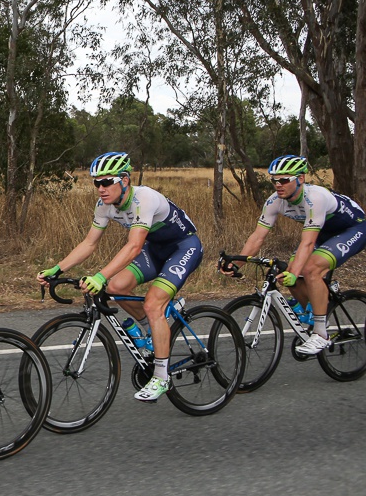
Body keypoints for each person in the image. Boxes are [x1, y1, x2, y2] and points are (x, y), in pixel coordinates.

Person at [37, 152, 203, 402]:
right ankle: (149, 329)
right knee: (115, 287)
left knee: (152, 303)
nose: (100, 189)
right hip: (155, 250)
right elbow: (89, 243)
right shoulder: (104, 206)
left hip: (183, 247)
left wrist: (99, 276)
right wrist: (57, 269)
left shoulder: (143, 198)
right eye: (96, 183)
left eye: (106, 182)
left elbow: (134, 247)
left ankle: (161, 377)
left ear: (124, 180)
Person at [219, 155, 366, 355]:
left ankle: (321, 334)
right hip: (324, 232)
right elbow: (257, 238)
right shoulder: (274, 201)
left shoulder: (315, 198)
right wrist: (237, 263)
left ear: (301, 179)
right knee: (289, 272)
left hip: (353, 229)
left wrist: (296, 271)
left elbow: (308, 242)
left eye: (284, 180)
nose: (278, 185)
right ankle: (315, 308)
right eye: (274, 180)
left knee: (310, 269)